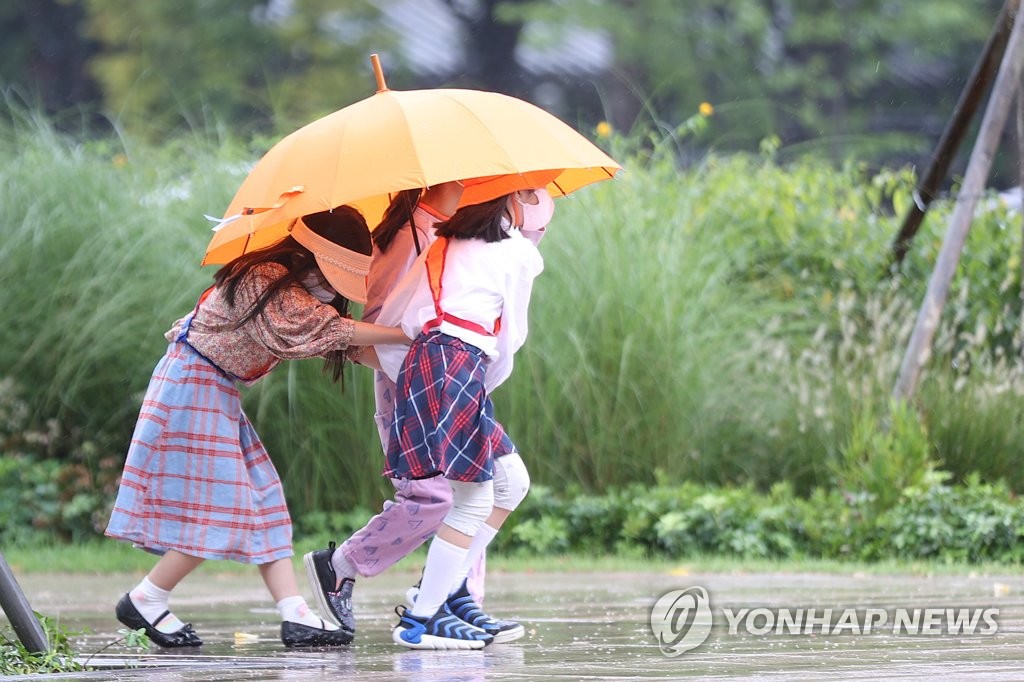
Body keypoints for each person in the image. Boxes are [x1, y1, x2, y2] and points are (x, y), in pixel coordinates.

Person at [104, 206, 410, 649]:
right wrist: (402, 334)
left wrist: (414, 355)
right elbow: (328, 329)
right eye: (336, 270)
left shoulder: (295, 294)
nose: (334, 287)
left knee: (264, 500)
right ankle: (146, 598)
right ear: (313, 254)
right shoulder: (261, 277)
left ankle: (294, 614)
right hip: (192, 386)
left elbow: (335, 340)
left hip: (213, 390)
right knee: (219, 508)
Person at [303, 183, 518, 643]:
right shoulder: (409, 235)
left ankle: (456, 596)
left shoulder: (449, 231)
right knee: (435, 497)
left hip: (443, 369)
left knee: (483, 484)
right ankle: (343, 566)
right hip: (410, 376)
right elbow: (382, 320)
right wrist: (418, 355)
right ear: (441, 184)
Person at [377, 187, 553, 649]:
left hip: (426, 361)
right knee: (474, 501)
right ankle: (420, 620)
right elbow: (512, 335)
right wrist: (478, 385)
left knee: (511, 481)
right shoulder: (518, 252)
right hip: (459, 365)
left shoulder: (443, 242)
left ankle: (447, 589)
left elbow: (415, 318)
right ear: (516, 206)